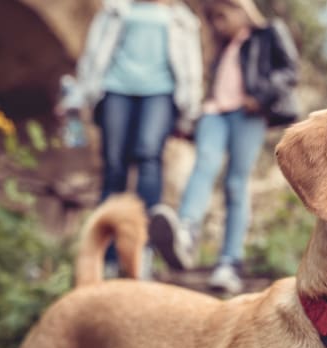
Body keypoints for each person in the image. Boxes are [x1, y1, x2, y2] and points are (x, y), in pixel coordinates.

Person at [149, 0, 299, 293]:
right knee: (204, 164)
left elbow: (289, 70)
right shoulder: (222, 49)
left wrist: (262, 96)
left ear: (241, 8)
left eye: (222, 15)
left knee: (235, 183)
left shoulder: (269, 33)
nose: (219, 24)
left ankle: (229, 262)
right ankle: (186, 233)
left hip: (248, 114)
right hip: (214, 113)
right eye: (214, 19)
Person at [59, 0, 203, 278]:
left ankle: (142, 252)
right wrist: (79, 96)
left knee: (149, 157)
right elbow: (92, 55)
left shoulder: (181, 18)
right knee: (114, 165)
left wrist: (191, 107)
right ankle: (107, 256)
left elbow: (190, 65)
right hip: (115, 89)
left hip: (160, 93)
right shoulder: (115, 9)